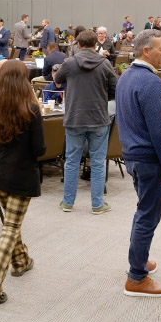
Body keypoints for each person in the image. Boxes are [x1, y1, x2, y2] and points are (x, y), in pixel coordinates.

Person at [116, 29, 161, 297]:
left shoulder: (125, 77)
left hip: (131, 156)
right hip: (149, 159)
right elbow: (160, 132)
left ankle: (139, 260)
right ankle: (137, 277)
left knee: (143, 211)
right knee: (148, 216)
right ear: (146, 51)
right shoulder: (151, 83)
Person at [0, 60, 46, 304]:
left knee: (11, 222)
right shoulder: (31, 109)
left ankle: (21, 261)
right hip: (20, 174)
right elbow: (39, 148)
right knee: (10, 227)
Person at [54, 29, 118, 214]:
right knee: (98, 162)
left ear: (78, 44)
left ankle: (67, 202)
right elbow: (115, 88)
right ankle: (97, 204)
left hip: (75, 117)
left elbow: (57, 80)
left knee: (72, 161)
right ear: (95, 44)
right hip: (98, 118)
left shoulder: (69, 63)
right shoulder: (104, 63)